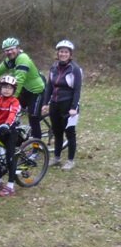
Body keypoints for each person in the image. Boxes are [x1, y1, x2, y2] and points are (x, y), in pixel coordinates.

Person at [0, 38, 45, 140]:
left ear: (18, 48)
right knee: (9, 110)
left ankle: (37, 146)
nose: (9, 52)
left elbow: (19, 80)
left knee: (33, 118)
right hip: (24, 90)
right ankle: (16, 134)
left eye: (12, 49)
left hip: (36, 90)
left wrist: (12, 98)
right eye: (6, 50)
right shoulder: (9, 61)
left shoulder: (23, 58)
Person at [42, 40, 83, 171]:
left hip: (68, 104)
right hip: (55, 103)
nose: (63, 54)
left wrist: (73, 107)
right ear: (57, 53)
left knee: (70, 133)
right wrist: (45, 103)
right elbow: (49, 86)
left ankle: (70, 160)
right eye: (61, 51)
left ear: (70, 54)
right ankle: (57, 157)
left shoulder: (75, 69)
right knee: (57, 131)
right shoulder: (53, 67)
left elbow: (77, 90)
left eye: (66, 52)